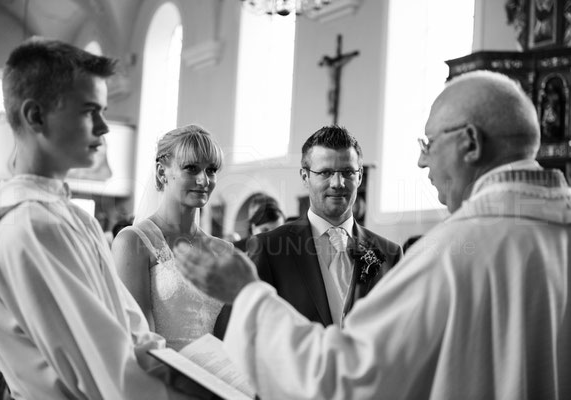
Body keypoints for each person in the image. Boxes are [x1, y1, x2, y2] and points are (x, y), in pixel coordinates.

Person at [174, 70, 571, 399]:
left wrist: (247, 295)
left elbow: (344, 378)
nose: (421, 159)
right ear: (306, 177)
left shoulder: (449, 252)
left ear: (470, 142)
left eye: (429, 143)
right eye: (324, 173)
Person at [0, 37, 197, 399]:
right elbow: (109, 372)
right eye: (88, 110)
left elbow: (131, 332)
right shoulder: (31, 226)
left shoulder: (64, 214)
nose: (104, 127)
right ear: (36, 116)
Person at [252, 126, 402, 328]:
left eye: (348, 172)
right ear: (305, 177)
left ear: (359, 177)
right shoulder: (269, 249)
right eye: (325, 172)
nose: (338, 183)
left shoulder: (389, 255)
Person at [111, 125, 231, 351]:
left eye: (211, 170)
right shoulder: (134, 242)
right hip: (160, 377)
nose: (204, 181)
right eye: (191, 168)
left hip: (217, 380)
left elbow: (229, 337)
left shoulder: (224, 250)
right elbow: (138, 340)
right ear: (161, 173)